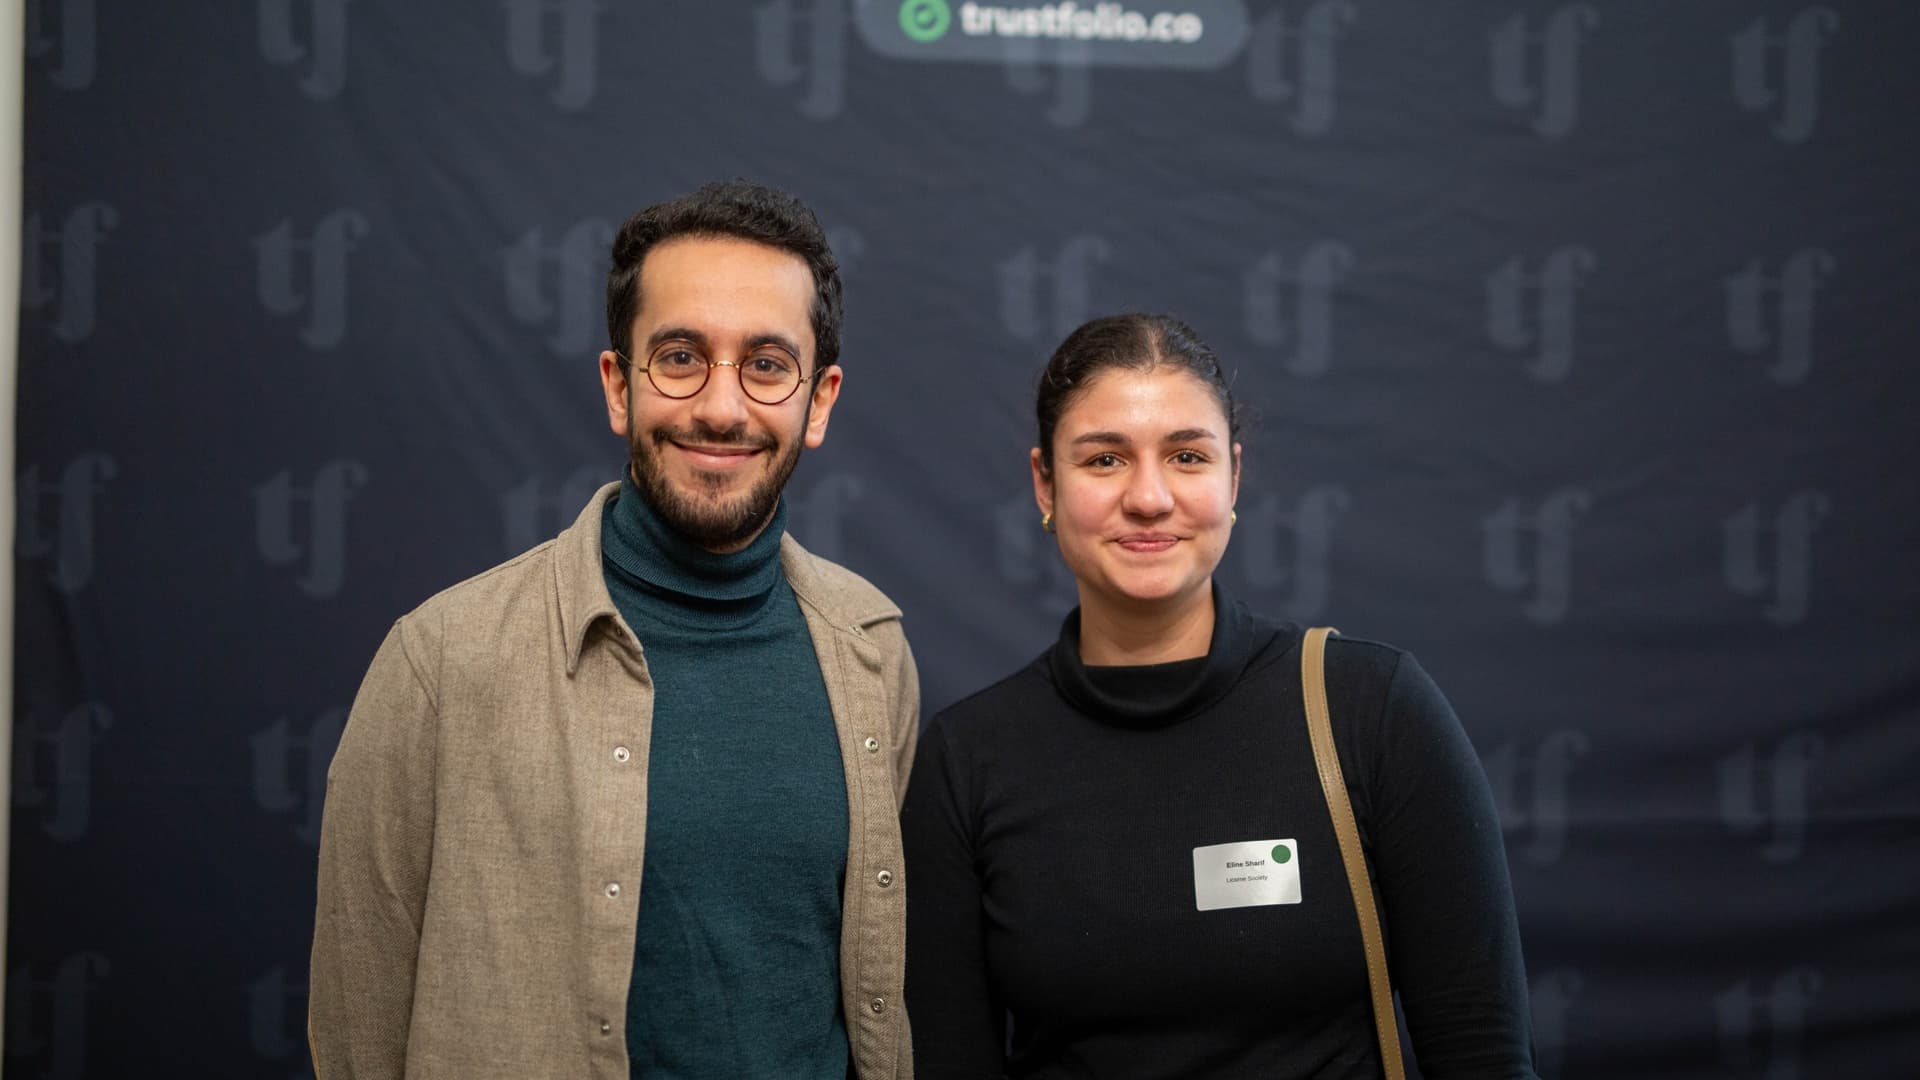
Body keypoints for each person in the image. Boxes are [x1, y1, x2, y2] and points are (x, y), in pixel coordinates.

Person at [309, 180, 920, 1079]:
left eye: (766, 364)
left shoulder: (873, 652)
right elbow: (357, 1029)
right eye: (679, 357)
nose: (721, 406)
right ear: (617, 387)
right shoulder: (442, 662)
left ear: (817, 401)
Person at [901, 313, 1538, 1078]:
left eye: (1187, 456)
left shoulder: (1371, 710)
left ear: (1233, 476)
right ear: (1046, 482)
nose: (1149, 496)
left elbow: (1482, 1053)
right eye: (1105, 459)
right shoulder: (967, 760)